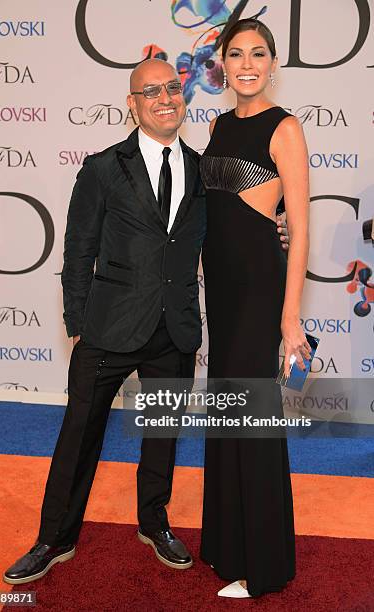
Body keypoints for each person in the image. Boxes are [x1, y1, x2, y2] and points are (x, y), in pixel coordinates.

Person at [3, 58, 289, 585]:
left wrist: (277, 231)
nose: (165, 98)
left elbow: (245, 218)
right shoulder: (103, 167)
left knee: (162, 436)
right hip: (107, 328)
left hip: (174, 328)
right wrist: (75, 318)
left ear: (184, 97)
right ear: (131, 104)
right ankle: (53, 538)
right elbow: (78, 246)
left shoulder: (205, 170)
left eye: (173, 88)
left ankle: (154, 523)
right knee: (78, 437)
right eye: (150, 91)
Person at [199, 17, 310, 599]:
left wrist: (290, 319)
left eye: (258, 54)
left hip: (258, 291)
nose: (246, 64)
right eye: (236, 53)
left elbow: (300, 228)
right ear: (222, 63)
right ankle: (228, 544)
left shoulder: (284, 128)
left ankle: (262, 564)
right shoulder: (218, 124)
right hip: (221, 287)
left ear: (273, 63)